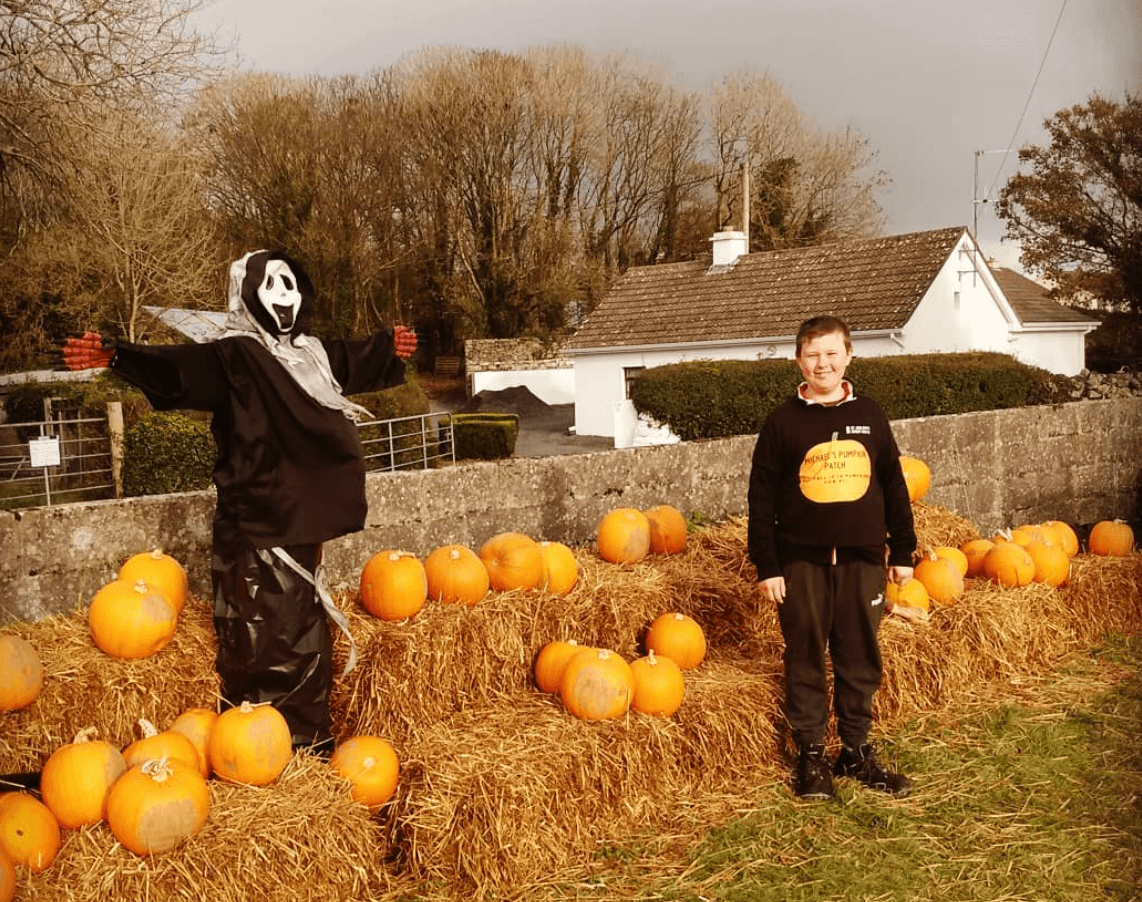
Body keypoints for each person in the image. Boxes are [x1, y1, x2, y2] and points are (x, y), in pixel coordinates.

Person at [63, 249, 417, 755]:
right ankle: (268, 746)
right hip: (257, 529)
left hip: (300, 524)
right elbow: (182, 369)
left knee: (303, 631)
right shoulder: (237, 357)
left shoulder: (310, 354)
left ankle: (306, 741)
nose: (285, 295)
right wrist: (122, 357)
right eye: (271, 284)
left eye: (291, 284)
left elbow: (352, 357)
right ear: (248, 294)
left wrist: (388, 349)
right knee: (266, 636)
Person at [747, 315, 916, 801]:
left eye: (831, 353)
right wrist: (769, 565)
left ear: (848, 356)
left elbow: (893, 485)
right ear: (798, 360)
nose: (822, 363)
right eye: (812, 354)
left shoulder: (872, 415)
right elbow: (761, 497)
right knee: (804, 656)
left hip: (863, 562)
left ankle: (856, 751)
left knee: (859, 655)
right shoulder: (782, 422)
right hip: (801, 563)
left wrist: (902, 549)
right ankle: (811, 755)